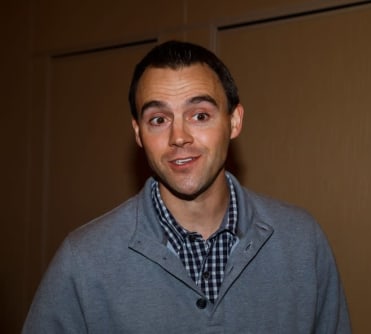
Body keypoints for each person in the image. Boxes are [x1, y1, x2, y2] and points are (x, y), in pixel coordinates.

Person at [23, 40, 351, 333]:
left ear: (234, 121)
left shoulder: (302, 241)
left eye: (200, 115)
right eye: (159, 120)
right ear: (138, 134)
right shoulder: (83, 261)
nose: (179, 137)